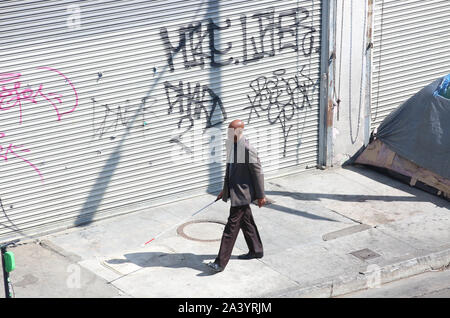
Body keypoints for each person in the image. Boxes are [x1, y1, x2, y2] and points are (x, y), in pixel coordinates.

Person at [207, 119, 266, 272]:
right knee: (247, 223)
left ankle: (220, 263)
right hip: (235, 192)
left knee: (230, 229)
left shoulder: (247, 149)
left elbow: (257, 173)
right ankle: (256, 250)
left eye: (232, 130)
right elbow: (230, 171)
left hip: (242, 194)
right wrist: (224, 190)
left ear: (240, 131)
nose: (229, 133)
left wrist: (261, 195)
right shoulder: (232, 146)